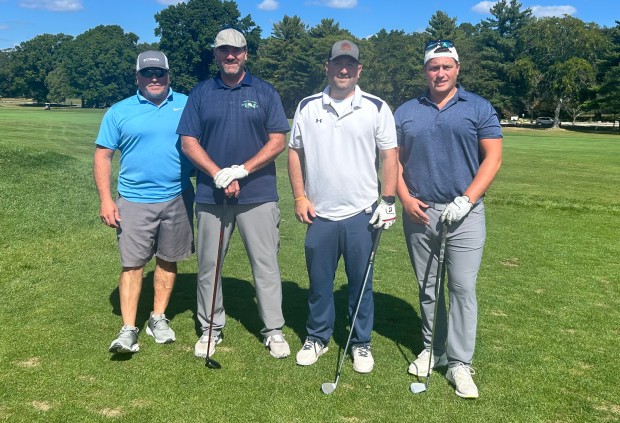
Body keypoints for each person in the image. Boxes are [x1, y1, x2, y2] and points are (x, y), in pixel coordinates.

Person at [394, 40, 502, 399]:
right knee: (428, 287)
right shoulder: (407, 111)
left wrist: (467, 199)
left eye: (446, 66)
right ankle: (434, 349)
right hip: (420, 213)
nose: (440, 73)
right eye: (433, 67)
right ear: (425, 71)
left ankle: (459, 362)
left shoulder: (479, 107)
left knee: (461, 288)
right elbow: (393, 161)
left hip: (464, 214)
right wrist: (405, 198)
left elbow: (492, 159)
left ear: (457, 69)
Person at [176, 26, 291, 360]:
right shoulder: (201, 92)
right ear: (215, 54)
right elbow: (188, 142)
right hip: (211, 195)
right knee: (209, 264)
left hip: (259, 194)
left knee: (266, 264)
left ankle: (273, 330)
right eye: (224, 50)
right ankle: (210, 328)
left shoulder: (264, 91)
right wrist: (218, 174)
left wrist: (242, 170)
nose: (230, 56)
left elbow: (278, 140)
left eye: (236, 50)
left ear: (245, 54)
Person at [288, 39, 398, 373]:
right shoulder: (307, 106)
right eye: (338, 63)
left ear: (359, 70)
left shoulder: (376, 107)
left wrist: (388, 200)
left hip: (361, 213)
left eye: (350, 65)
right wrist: (299, 196)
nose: (344, 70)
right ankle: (317, 337)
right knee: (319, 283)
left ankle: (360, 343)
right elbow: (294, 151)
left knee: (361, 284)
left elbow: (389, 156)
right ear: (328, 67)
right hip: (319, 213)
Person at [94, 50, 195, 353]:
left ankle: (158, 318)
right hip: (133, 200)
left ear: (168, 75)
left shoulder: (187, 104)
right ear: (137, 76)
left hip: (178, 196)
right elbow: (103, 156)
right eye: (148, 73)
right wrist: (106, 200)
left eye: (160, 73)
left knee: (168, 259)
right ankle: (128, 329)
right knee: (133, 264)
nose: (154, 78)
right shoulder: (118, 111)